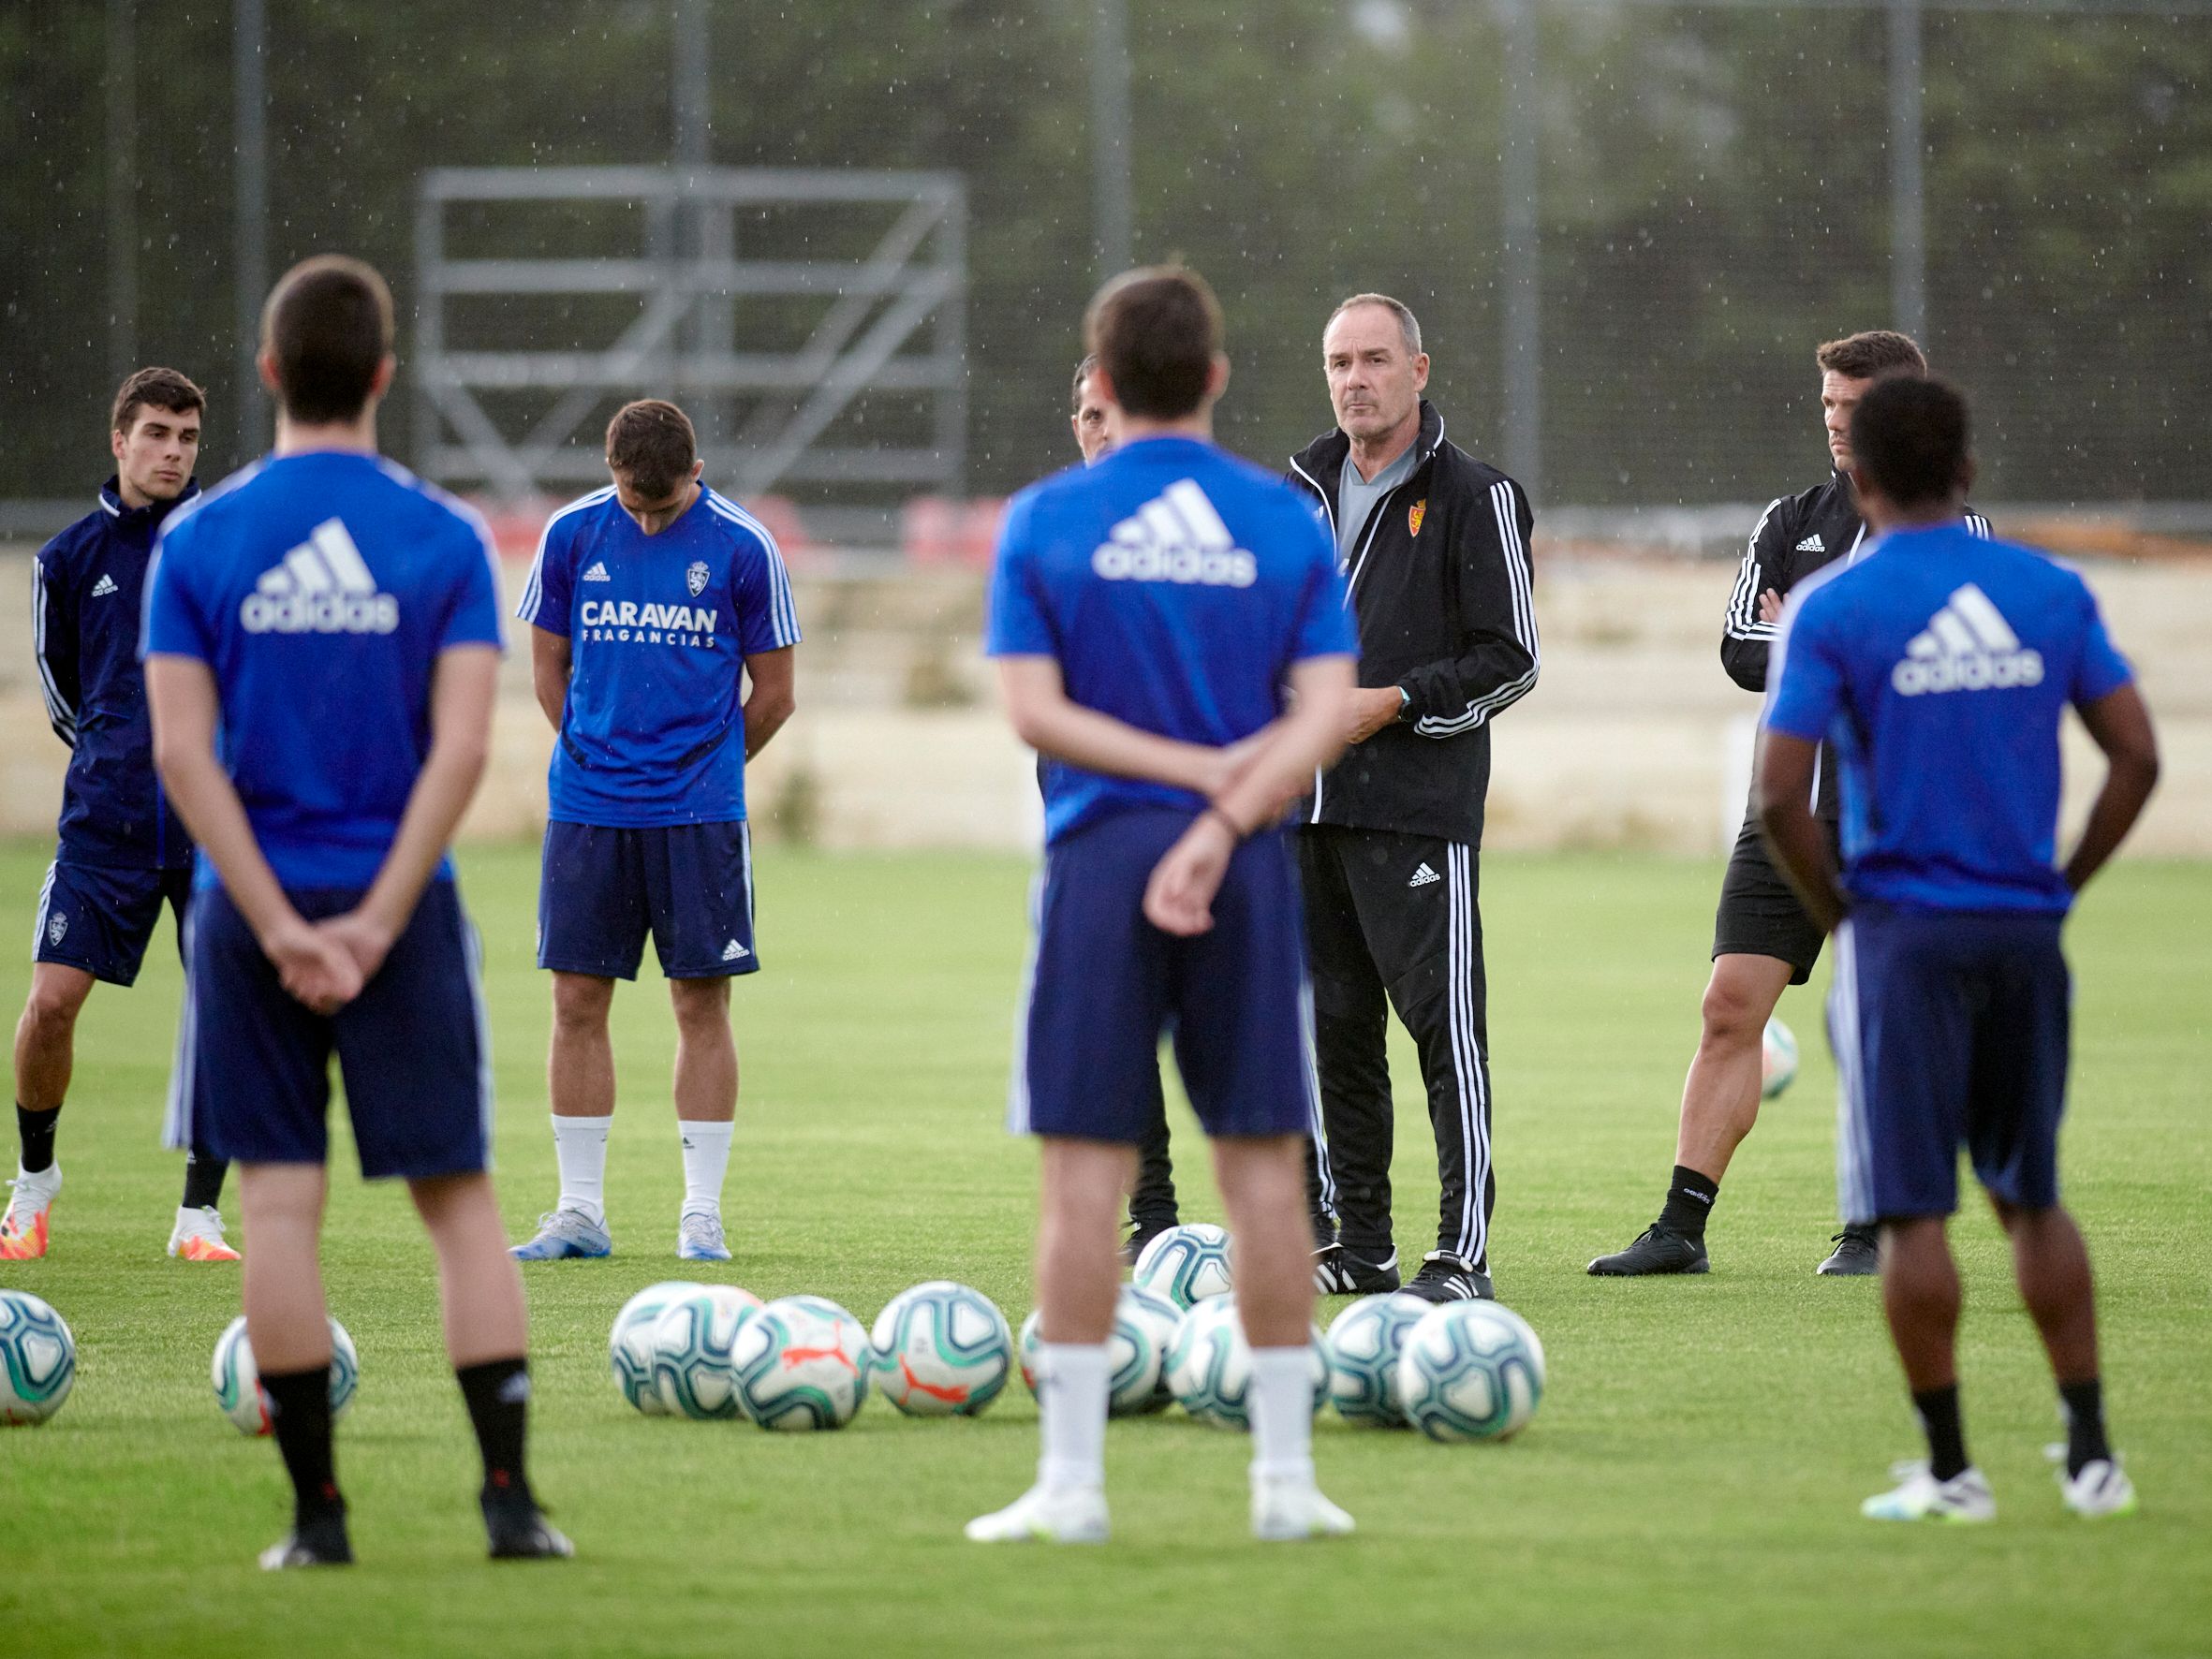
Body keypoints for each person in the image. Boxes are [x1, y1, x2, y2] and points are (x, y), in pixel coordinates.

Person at [143, 254, 568, 1565]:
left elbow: (181, 756)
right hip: (405, 910)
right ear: (385, 375)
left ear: (270, 373)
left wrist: (273, 923)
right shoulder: (440, 537)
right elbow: (457, 756)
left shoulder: (200, 538)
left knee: (277, 1205)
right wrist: (378, 920)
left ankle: (317, 1523)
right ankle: (508, 1506)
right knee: (460, 1205)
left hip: (247, 913)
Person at [971, 266, 1358, 1544]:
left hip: (1095, 862)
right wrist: (1223, 809)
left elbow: (1033, 712)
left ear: (1101, 379)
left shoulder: (1042, 520)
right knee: (1262, 1172)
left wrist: (1178, 788)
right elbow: (1320, 715)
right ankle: (1286, 1486)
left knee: (1082, 1178)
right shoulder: (1284, 523)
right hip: (1244, 860)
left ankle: (1072, 1489)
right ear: (1213, 377)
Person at [1756, 374, 2157, 1521]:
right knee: (2032, 1197)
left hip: (1905, 938)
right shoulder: (2046, 588)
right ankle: (2090, 1455)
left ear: (1862, 480)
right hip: (2022, 931)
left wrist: (1846, 917)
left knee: (1915, 1212)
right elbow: (2134, 757)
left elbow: (1781, 794)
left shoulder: (1834, 607)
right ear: (1968, 472)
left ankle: (1950, 1470)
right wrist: (2058, 886)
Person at [1590, 330, 1993, 1279]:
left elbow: (1931, 658)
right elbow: (1738, 648)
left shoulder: (1957, 531)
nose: (1836, 424)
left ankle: (1871, 1225)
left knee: (1881, 1017)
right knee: (1729, 1005)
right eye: (1826, 407)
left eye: (1853, 409)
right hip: (1786, 812)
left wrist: (1807, 623)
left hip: (1896, 822)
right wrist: (1847, 637)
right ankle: (1680, 1226)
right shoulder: (1789, 517)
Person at [1286, 294, 1539, 1303]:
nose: (1356, 379)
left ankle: (1460, 1254)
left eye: (1375, 359)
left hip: (1415, 811)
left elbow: (1509, 660)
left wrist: (1388, 704)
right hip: (1303, 815)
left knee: (1445, 1038)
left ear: (1419, 370)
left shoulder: (1475, 495)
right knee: (1335, 1037)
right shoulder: (1292, 496)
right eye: (1339, 361)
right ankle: (1361, 1245)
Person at [509, 399, 800, 1264]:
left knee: (699, 1001)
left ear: (696, 474)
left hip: (700, 817)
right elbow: (547, 667)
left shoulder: (744, 547)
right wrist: (596, 756)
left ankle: (701, 1214)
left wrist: (705, 768)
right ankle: (579, 1212)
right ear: (611, 474)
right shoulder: (569, 537)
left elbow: (776, 693)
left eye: (664, 507)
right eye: (635, 502)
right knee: (575, 1002)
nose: (647, 517)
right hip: (589, 812)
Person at [3, 368, 242, 1265]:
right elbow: (67, 693)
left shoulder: (223, 546)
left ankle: (199, 1215)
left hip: (214, 826)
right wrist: (120, 755)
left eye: (186, 437)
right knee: (51, 1005)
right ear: (119, 439)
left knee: (224, 1011)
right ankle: (32, 1185)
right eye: (156, 434)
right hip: (105, 826)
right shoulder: (67, 560)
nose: (172, 452)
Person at [1067, 353, 1180, 1262]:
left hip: (1212, 830)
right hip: (1092, 834)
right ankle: (1154, 1220)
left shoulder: (1210, 533)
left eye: (1112, 410)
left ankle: (1314, 1218)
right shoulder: (1055, 534)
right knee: (1116, 1030)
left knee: (1254, 1042)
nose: (1099, 428)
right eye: (1086, 415)